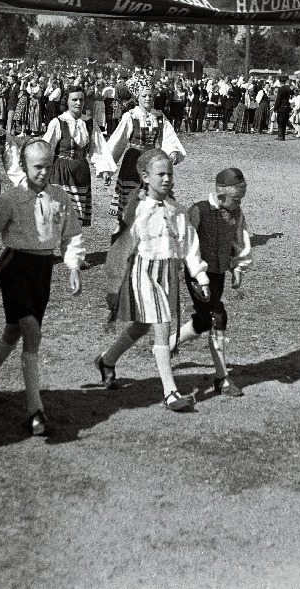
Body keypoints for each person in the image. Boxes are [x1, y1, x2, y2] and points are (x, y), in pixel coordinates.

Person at [0, 139, 85, 436]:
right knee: (32, 331)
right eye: (37, 167)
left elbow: (71, 234)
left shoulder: (60, 197)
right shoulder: (10, 199)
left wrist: (72, 266)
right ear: (24, 166)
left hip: (43, 270)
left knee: (15, 329)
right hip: (14, 268)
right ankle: (35, 409)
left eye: (48, 166)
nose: (43, 173)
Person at [96, 149, 210, 411]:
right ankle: (170, 392)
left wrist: (200, 275)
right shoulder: (137, 210)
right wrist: (113, 285)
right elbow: (120, 249)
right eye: (161, 174)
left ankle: (107, 360)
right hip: (142, 272)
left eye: (170, 173)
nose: (167, 178)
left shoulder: (177, 211)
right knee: (162, 324)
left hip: (168, 273)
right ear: (145, 177)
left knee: (141, 326)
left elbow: (189, 246)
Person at [169, 168, 252, 397]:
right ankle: (222, 378)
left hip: (219, 273)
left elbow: (240, 238)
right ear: (221, 194)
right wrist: (199, 275)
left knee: (205, 320)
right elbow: (188, 245)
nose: (239, 203)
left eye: (241, 199)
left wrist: (238, 267)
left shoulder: (236, 213)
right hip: (197, 274)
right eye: (236, 199)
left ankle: (169, 344)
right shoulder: (198, 211)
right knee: (218, 316)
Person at [106, 86, 185, 221]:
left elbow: (168, 136)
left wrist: (172, 152)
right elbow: (118, 141)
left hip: (152, 161)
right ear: (138, 98)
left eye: (150, 96)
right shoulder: (130, 116)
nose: (148, 98)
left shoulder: (159, 116)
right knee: (131, 199)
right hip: (133, 161)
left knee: (152, 199)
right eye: (144, 96)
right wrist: (107, 166)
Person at [42, 85, 116, 226]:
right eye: (74, 99)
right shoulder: (58, 122)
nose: (78, 103)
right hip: (61, 172)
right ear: (67, 101)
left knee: (76, 219)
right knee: (59, 215)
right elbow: (46, 148)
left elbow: (97, 148)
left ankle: (71, 247)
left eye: (81, 100)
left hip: (81, 172)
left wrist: (104, 169)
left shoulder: (89, 123)